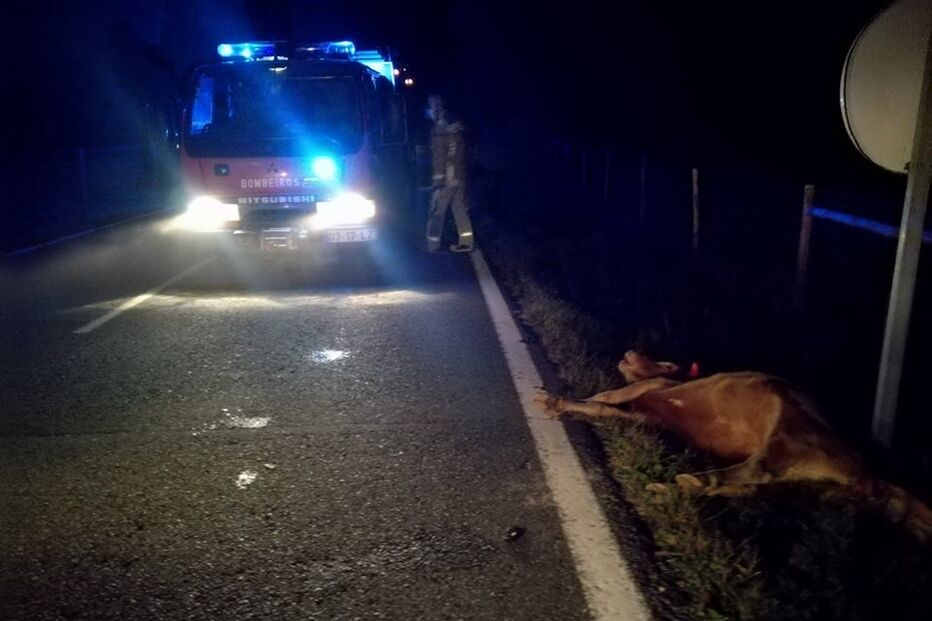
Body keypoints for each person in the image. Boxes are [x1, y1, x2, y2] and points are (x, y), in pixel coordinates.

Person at [425, 95, 474, 253]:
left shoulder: (440, 130)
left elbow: (439, 156)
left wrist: (438, 180)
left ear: (437, 109)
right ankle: (467, 242)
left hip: (447, 178)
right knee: (459, 208)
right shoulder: (457, 128)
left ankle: (432, 245)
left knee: (437, 211)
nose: (428, 111)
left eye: (430, 108)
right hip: (460, 175)